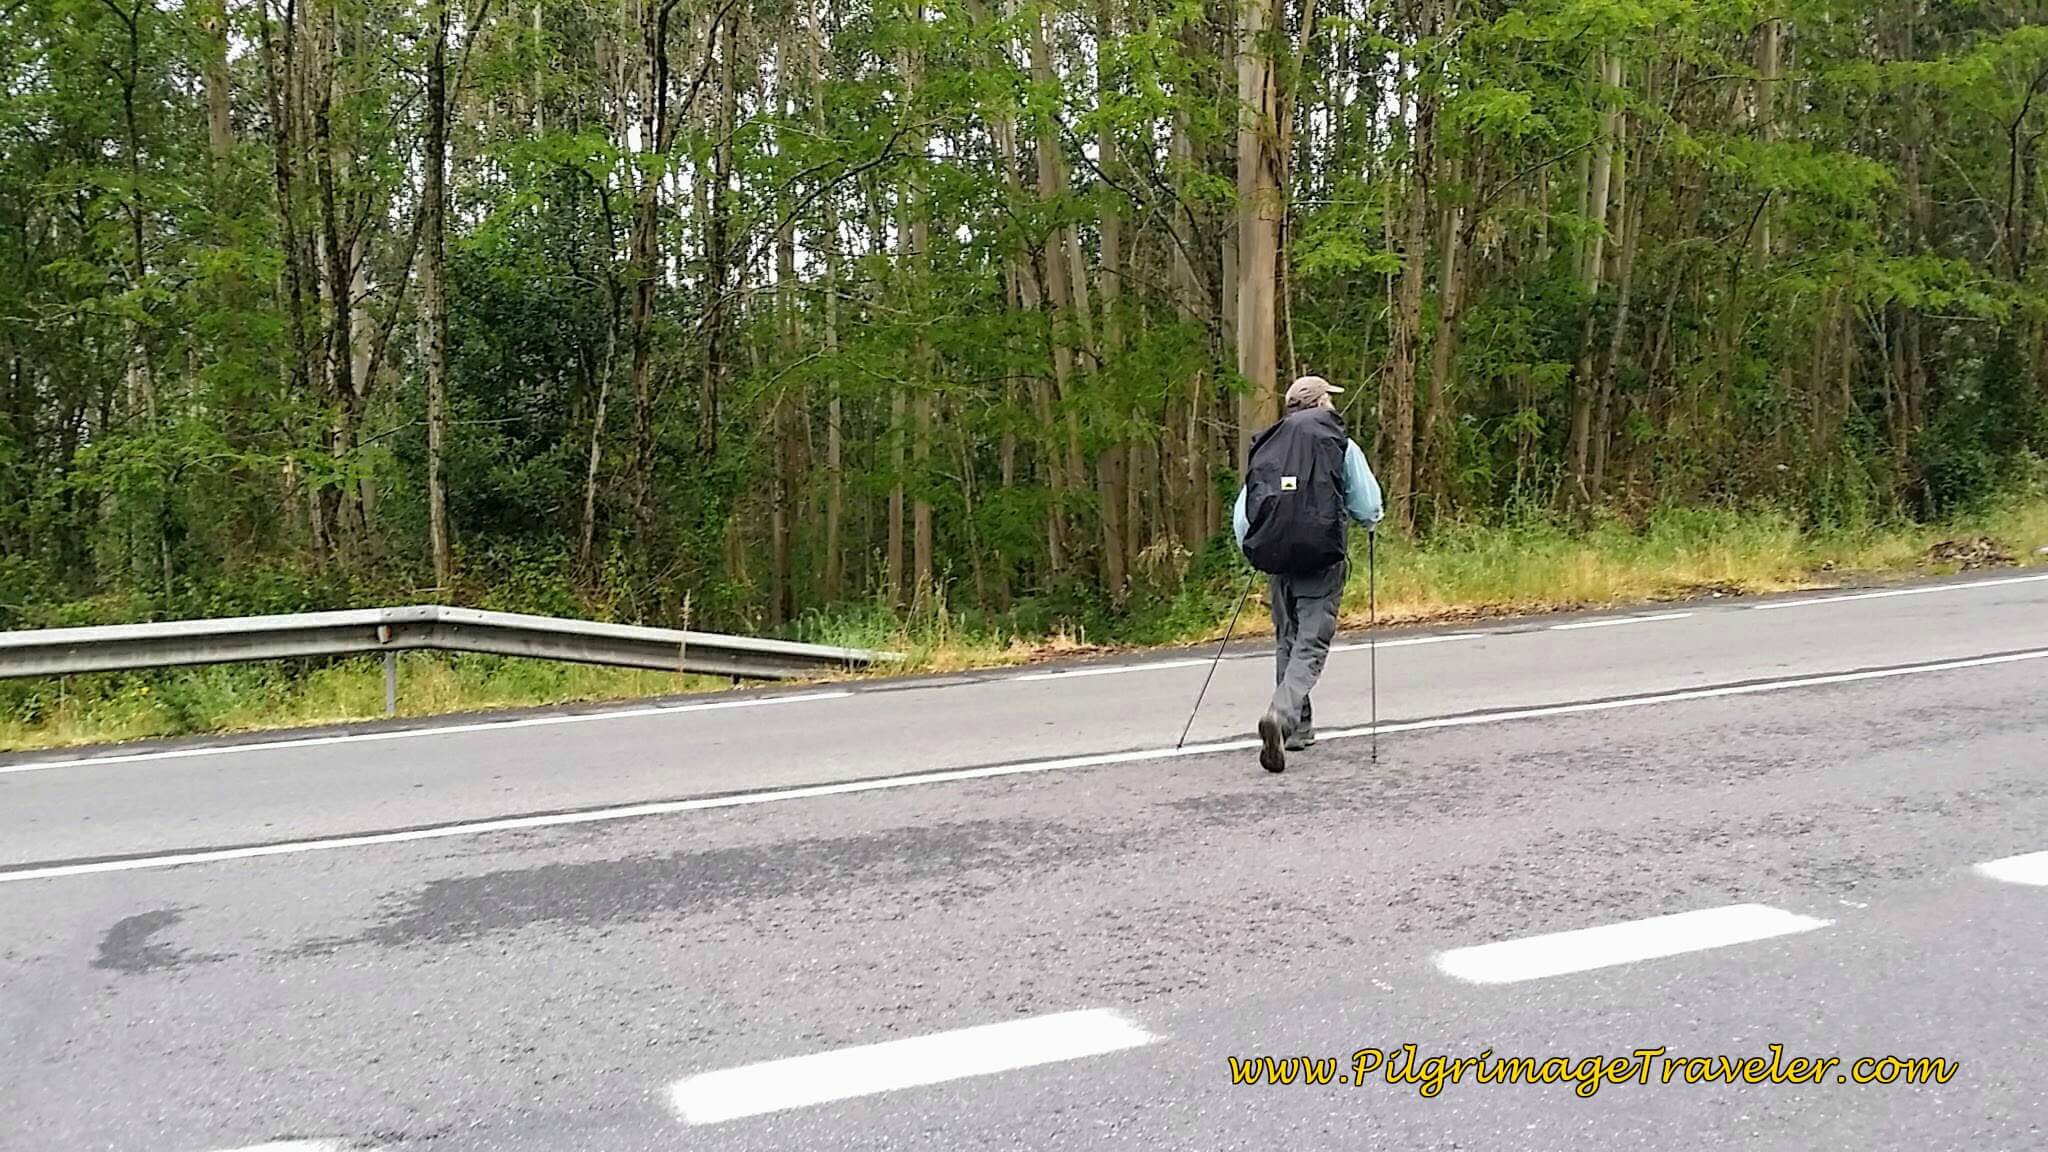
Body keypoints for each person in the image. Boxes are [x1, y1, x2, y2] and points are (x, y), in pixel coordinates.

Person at [1232, 374, 1384, 773]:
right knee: (1312, 642)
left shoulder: (1269, 444)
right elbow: (1367, 505)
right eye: (1328, 399)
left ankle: (1298, 729)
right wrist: (1369, 522)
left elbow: (1242, 518)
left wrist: (1259, 549)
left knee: (1289, 638)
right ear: (1320, 403)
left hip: (1277, 556)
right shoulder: (1339, 443)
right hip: (1321, 556)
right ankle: (1281, 717)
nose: (1332, 405)